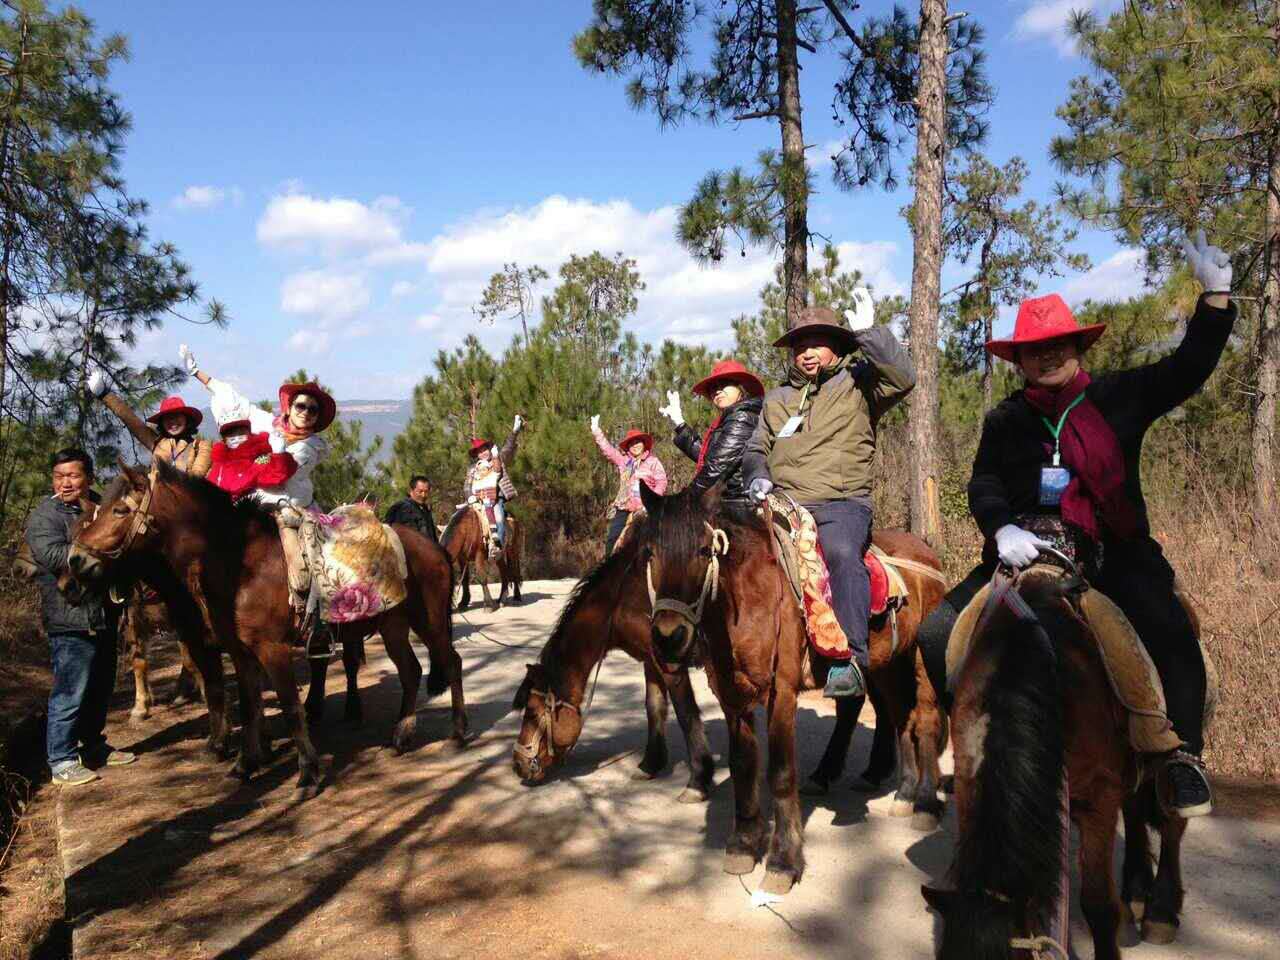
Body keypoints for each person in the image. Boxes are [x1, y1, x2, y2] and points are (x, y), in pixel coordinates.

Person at [915, 231, 1235, 818]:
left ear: (1077, 347)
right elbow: (983, 483)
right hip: (1020, 550)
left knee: (1167, 630)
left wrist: (1214, 302)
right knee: (935, 632)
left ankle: (1182, 758)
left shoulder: (1121, 397)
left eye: (1059, 343)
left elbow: (1187, 369)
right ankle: (972, 745)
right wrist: (1000, 529)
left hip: (1110, 548)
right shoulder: (1005, 419)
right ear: (1018, 359)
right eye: (1035, 348)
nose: (1049, 354)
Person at [741, 288, 915, 698]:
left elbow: (904, 377)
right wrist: (757, 476)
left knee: (839, 554)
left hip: (841, 503)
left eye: (817, 342)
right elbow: (755, 448)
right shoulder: (777, 399)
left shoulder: (860, 384)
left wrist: (871, 333)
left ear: (837, 347)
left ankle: (850, 661)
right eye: (800, 345)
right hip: (783, 504)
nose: (807, 352)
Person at [179, 344, 334, 625]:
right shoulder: (270, 424)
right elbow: (238, 403)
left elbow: (281, 473)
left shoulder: (312, 446)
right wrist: (198, 374)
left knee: (305, 561)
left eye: (313, 410)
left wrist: (271, 449)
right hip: (251, 503)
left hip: (290, 509)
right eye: (301, 405)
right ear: (290, 407)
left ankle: (315, 619)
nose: (306, 412)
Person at [25, 449, 137, 786]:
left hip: (103, 613)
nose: (65, 483)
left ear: (87, 477)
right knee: (69, 691)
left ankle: (93, 747)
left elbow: (126, 538)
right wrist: (103, 551)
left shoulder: (102, 506)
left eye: (72, 475)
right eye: (59, 476)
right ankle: (60, 761)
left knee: (100, 687)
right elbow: (54, 555)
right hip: (69, 613)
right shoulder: (45, 516)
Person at [659, 358, 765, 505]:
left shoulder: (743, 416)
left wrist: (685, 499)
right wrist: (681, 425)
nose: (717, 391)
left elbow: (716, 466)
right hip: (728, 501)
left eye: (724, 384)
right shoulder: (728, 418)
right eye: (713, 387)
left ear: (741, 387)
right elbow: (710, 457)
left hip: (739, 503)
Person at [85, 371, 212, 477]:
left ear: (187, 420)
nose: (172, 422)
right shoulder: (158, 443)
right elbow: (132, 421)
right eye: (168, 419)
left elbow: (197, 480)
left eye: (177, 417)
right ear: (162, 423)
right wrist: (105, 395)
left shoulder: (201, 447)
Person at [591, 418, 668, 556]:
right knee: (612, 539)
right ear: (628, 447)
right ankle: (609, 572)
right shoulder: (623, 461)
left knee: (655, 541)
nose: (635, 445)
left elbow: (661, 481)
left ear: (644, 444)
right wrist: (597, 431)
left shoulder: (653, 462)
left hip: (646, 507)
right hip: (624, 506)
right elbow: (608, 450)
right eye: (632, 443)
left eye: (638, 442)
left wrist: (651, 501)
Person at [206, 408, 299, 502]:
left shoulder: (260, 455)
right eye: (231, 434)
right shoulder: (221, 462)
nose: (236, 437)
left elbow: (276, 475)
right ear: (224, 439)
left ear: (248, 433)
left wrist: (279, 455)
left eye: (241, 432)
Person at [465, 415, 524, 552]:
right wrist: (469, 496)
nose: (483, 453)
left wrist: (514, 432)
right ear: (476, 455)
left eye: (484, 450)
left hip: (496, 498)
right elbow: (467, 485)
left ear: (489, 449)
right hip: (477, 499)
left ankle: (498, 545)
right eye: (480, 452)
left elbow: (509, 447)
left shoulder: (499, 459)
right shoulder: (473, 469)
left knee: (498, 517)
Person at [385, 475, 439, 544]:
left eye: (426, 492)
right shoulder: (402, 508)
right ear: (411, 491)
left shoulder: (425, 509)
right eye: (420, 491)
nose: (423, 495)